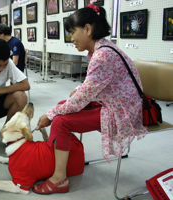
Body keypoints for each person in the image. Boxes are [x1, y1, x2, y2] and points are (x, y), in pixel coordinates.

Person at [32, 5, 148, 194]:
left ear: (87, 29)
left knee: (59, 121)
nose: (71, 39)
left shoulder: (103, 55)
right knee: (62, 107)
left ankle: (59, 179)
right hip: (116, 104)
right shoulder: (103, 48)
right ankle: (59, 161)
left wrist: (49, 114)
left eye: (72, 32)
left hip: (123, 113)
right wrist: (78, 92)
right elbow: (93, 86)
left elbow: (81, 98)